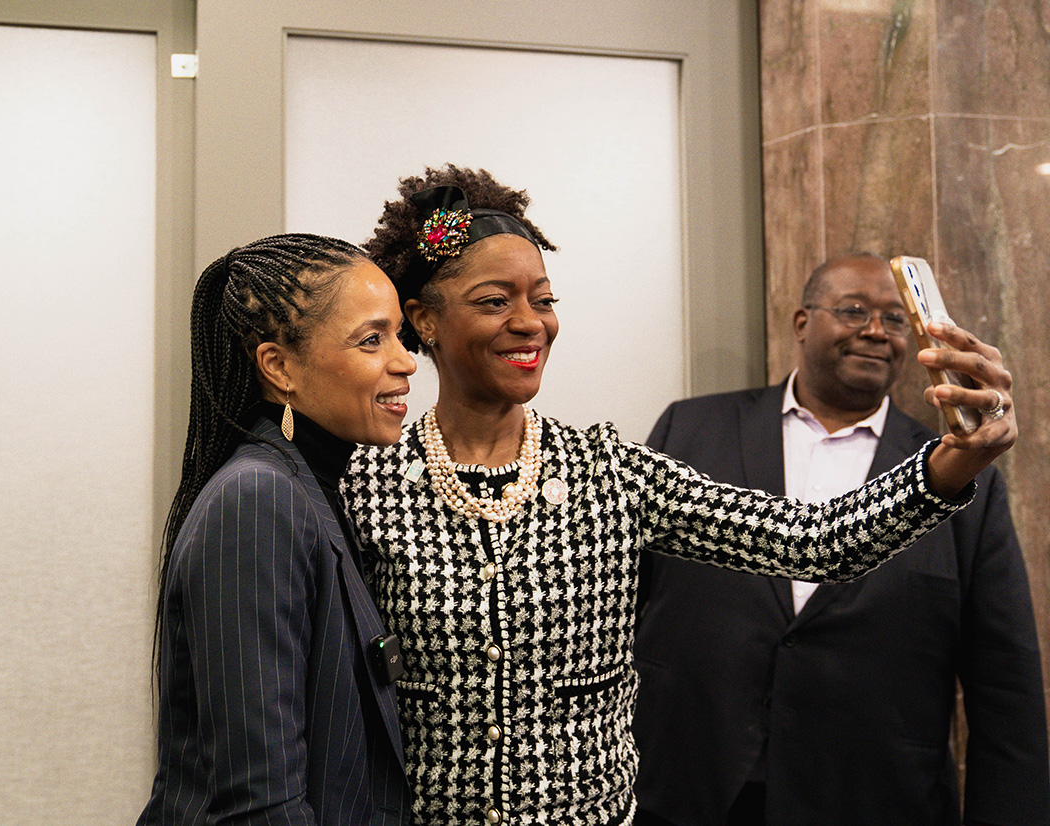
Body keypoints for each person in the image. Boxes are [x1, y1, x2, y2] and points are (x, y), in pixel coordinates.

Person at [339, 165, 1019, 826]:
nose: (530, 323)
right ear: (423, 320)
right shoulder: (363, 484)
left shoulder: (609, 471)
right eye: (496, 301)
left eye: (543, 300)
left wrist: (949, 463)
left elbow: (815, 541)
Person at [630, 253, 1049, 826]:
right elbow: (619, 611)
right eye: (853, 310)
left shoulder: (957, 475)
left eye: (896, 319)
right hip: (687, 786)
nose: (876, 331)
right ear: (803, 322)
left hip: (873, 796)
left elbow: (1006, 684)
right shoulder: (691, 429)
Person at [136, 234, 417, 825]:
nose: (405, 360)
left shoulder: (308, 488)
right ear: (280, 367)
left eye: (399, 334)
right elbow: (261, 804)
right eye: (372, 340)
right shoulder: (257, 501)